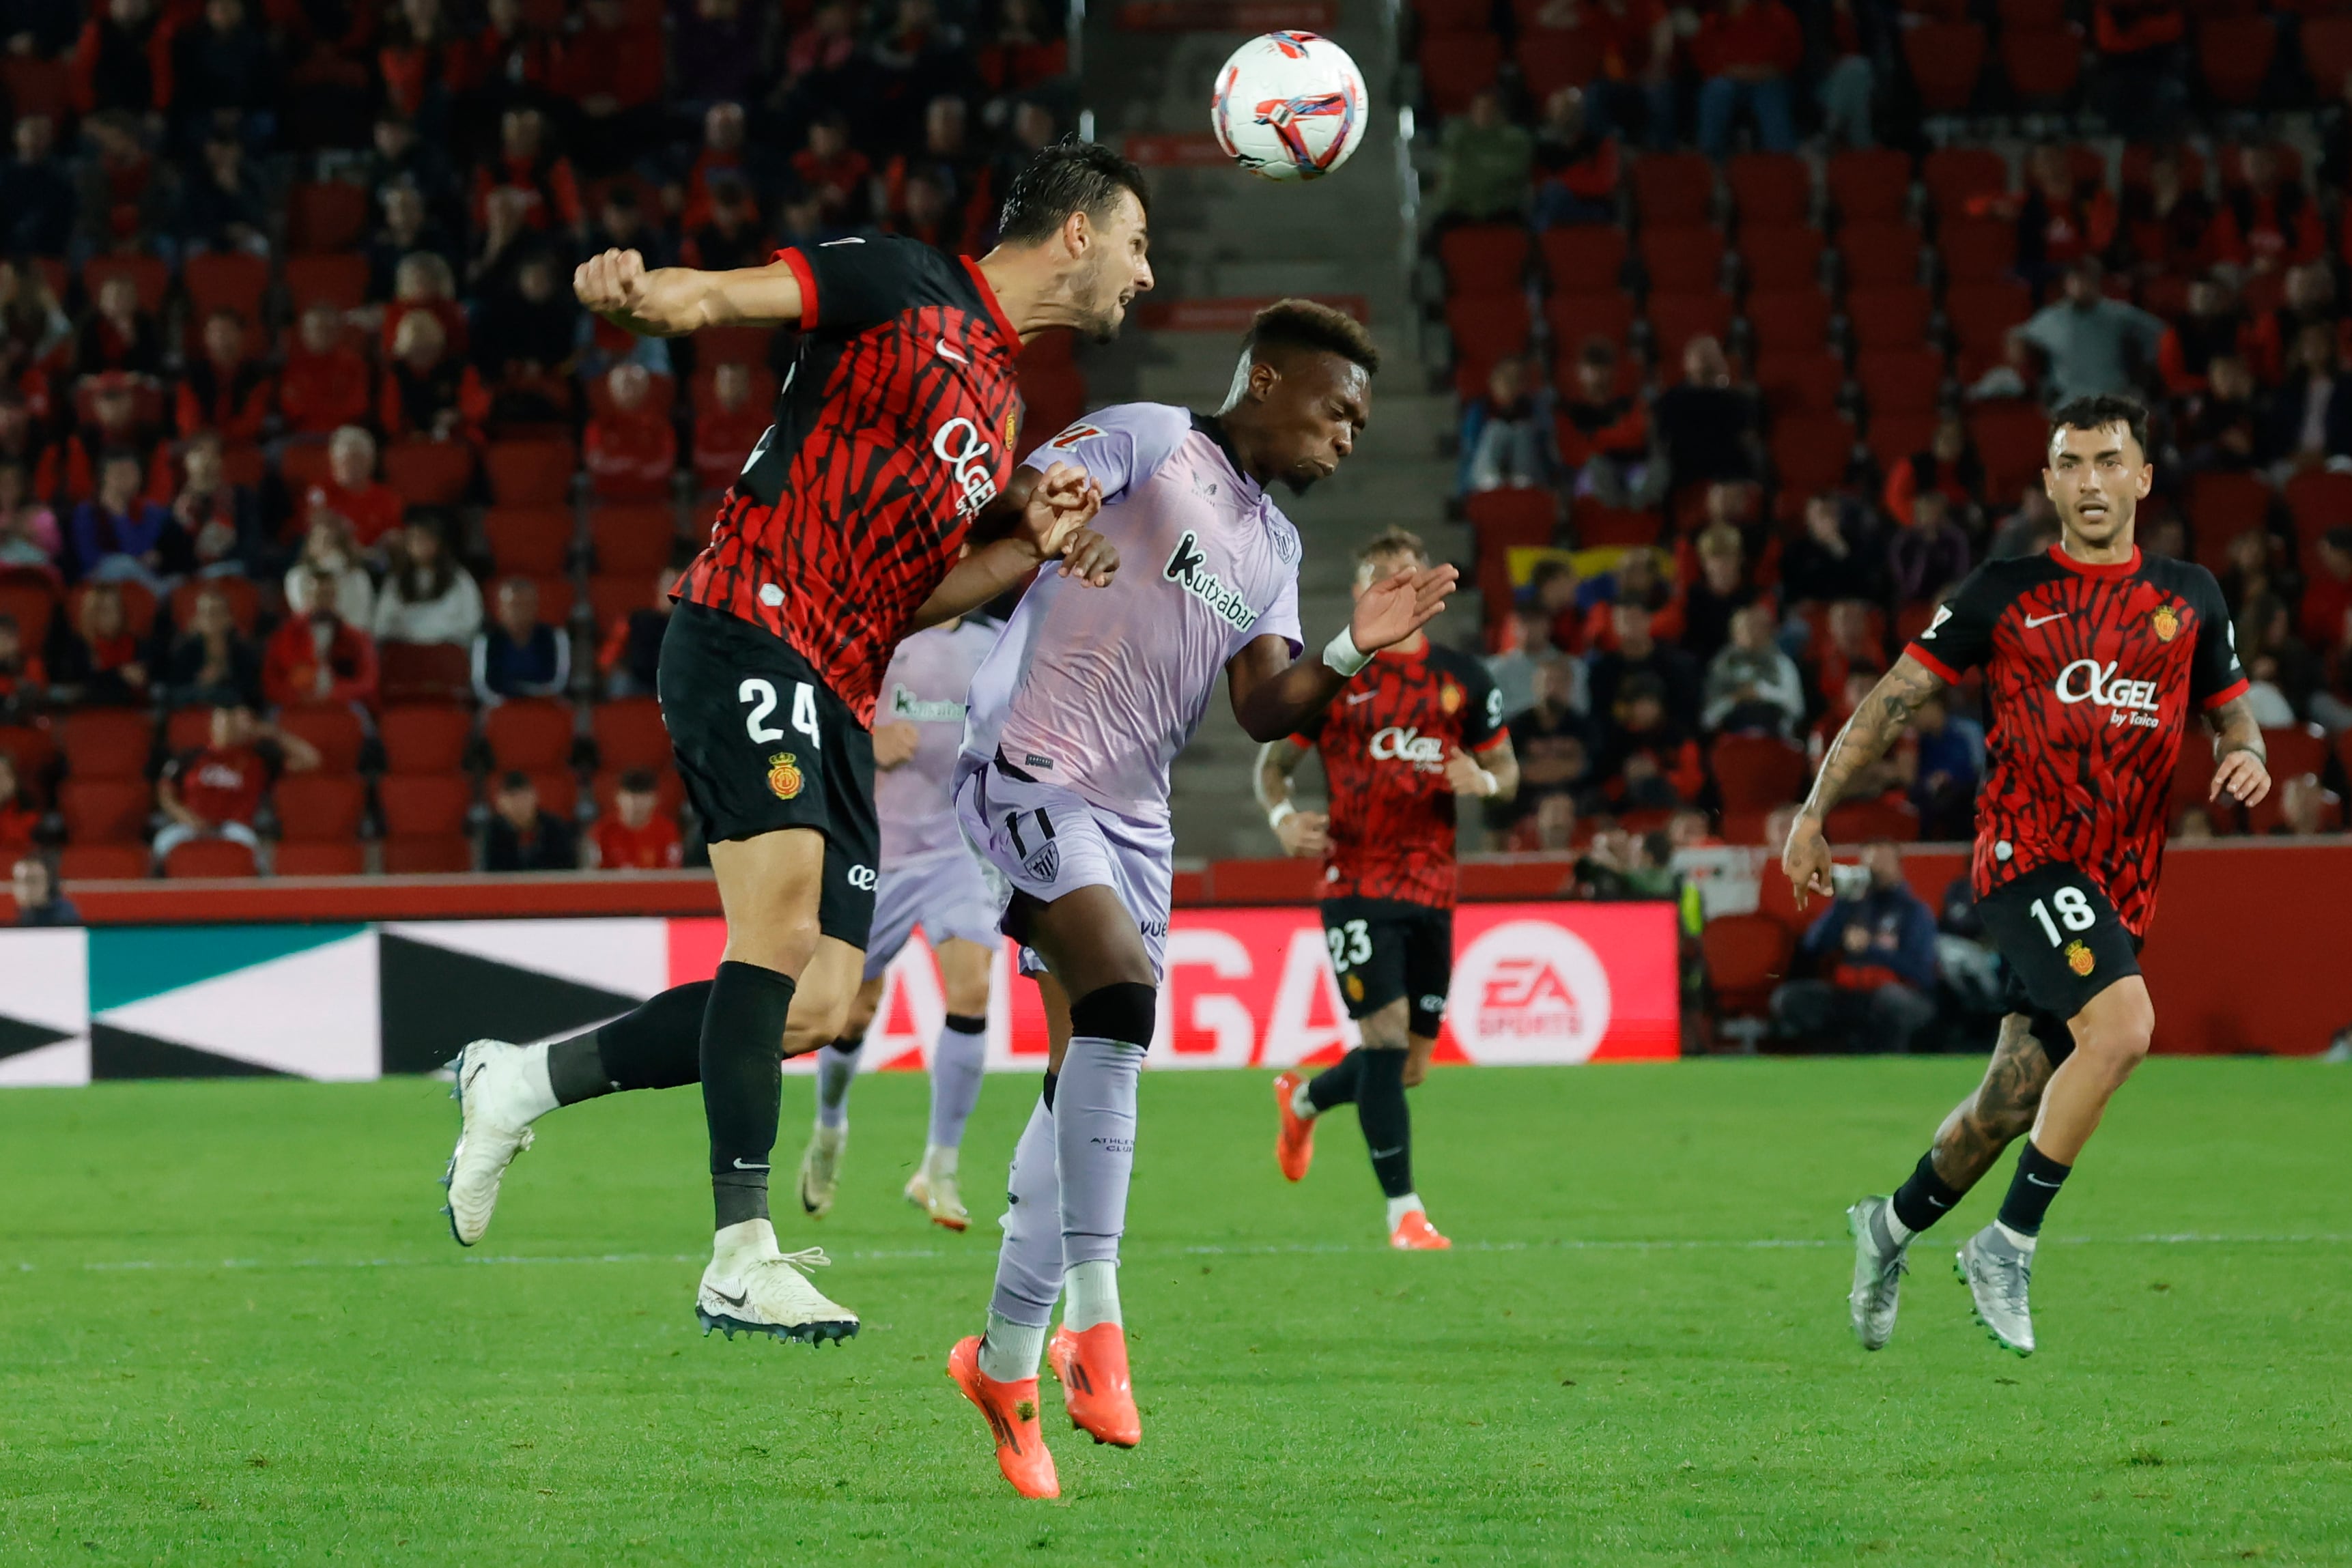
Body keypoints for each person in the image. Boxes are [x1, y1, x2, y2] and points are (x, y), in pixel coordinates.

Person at [433, 141, 1152, 1356]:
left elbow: (916, 598)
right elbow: (714, 295)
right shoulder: (902, 281)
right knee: (768, 935)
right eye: (1137, 244)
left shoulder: (1000, 401)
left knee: (818, 1001)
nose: (1146, 274)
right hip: (745, 626)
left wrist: (1032, 543)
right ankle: (739, 1256)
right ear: (1076, 233)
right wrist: (640, 289)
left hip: (840, 675)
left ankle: (517, 1083)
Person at [941, 302, 1453, 1499]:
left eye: (1363, 425)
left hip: (1135, 818)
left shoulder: (1272, 547)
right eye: (1336, 410)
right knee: (1117, 992)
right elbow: (1036, 488)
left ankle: (1006, 1361)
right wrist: (1053, 507)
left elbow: (1266, 707)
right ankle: (1100, 1328)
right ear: (1266, 381)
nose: (1348, 437)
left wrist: (1353, 644)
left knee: (1087, 1072)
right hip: (1030, 766)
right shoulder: (1149, 438)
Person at [1789, 395, 2267, 1358]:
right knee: (2126, 1026)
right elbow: (1892, 701)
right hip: (2023, 860)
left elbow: (2232, 712)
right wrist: (1812, 810)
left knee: (2008, 1101)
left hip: (2119, 887)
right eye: (2070, 463)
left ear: (2141, 477)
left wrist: (2247, 752)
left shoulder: (2191, 597)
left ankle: (1886, 1227)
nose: (2090, 480)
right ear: (2048, 483)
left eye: (2108, 461)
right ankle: (2005, 1246)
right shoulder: (2004, 591)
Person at [1258, 527, 1516, 1249]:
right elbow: (1272, 767)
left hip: (1433, 885)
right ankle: (1404, 1211)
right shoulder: (1337, 679)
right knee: (1381, 1034)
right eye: (1389, 579)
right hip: (1356, 878)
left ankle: (1304, 1097)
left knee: (1406, 1066)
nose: (1406, 588)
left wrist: (1485, 779)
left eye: (1414, 576)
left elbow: (1510, 770)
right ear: (1363, 592)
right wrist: (1282, 818)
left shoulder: (1465, 677)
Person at [798, 614, 1002, 1232]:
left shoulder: (990, 644)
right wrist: (868, 741)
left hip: (956, 849)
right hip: (875, 850)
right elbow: (809, 727)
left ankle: (938, 1166)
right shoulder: (872, 635)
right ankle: (830, 1127)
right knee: (851, 1010)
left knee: (972, 988)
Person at [1770, 840, 1939, 1054]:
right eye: (1871, 864)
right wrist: (1843, 903)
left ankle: (1889, 1060)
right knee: (1790, 998)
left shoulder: (1914, 913)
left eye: (1883, 863)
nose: (1876, 870)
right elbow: (1813, 947)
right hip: (1847, 993)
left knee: (1889, 1001)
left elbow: (1923, 974)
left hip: (1895, 994)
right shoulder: (1851, 905)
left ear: (1899, 869)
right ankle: (1827, 1060)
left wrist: (1870, 949)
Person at [153, 704, 320, 866]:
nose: (228, 726)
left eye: (233, 721)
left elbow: (311, 760)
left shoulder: (260, 759)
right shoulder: (191, 757)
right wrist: (185, 816)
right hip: (192, 825)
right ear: (211, 724)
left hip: (236, 828)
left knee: (255, 852)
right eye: (222, 719)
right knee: (162, 843)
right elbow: (166, 792)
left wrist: (273, 733)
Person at [2011, 258, 2165, 409]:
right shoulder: (2052, 318)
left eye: (2086, 279)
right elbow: (2017, 337)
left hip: (2115, 397)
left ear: (2097, 283)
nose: (2081, 285)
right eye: (2075, 280)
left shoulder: (2118, 314)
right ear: (2066, 284)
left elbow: (2161, 332)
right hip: (2070, 402)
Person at [262, 567, 379, 709]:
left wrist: (337, 693)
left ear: (336, 598)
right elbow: (271, 679)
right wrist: (297, 696)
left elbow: (368, 680)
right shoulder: (283, 636)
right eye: (317, 595)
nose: (322, 601)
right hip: (294, 703)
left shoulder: (357, 639)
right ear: (306, 597)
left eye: (327, 595)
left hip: (345, 703)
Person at [374, 513, 485, 648]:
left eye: (427, 540)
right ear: (407, 545)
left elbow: (471, 620)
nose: (421, 546)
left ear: (438, 544)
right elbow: (382, 623)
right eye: (415, 540)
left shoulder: (459, 578)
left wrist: (437, 633)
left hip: (446, 651)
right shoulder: (396, 579)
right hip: (404, 650)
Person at [1704, 601, 1806, 737]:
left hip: (1773, 738)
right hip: (1732, 741)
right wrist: (1736, 699)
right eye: (1744, 628)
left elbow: (1797, 708)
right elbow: (1708, 719)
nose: (1750, 633)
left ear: (1768, 631)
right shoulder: (1722, 666)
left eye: (1756, 628)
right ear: (1734, 633)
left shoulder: (1781, 663)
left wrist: (1761, 692)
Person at [471, 577, 570, 702]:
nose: (520, 612)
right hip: (499, 707)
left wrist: (533, 696)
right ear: (500, 610)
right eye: (514, 606)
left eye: (526, 605)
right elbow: (482, 686)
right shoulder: (486, 639)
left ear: (535, 607)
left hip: (544, 705)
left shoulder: (554, 636)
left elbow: (558, 682)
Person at [163, 582, 261, 708]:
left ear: (229, 618)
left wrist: (224, 675)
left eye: (216, 612)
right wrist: (201, 687)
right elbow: (172, 695)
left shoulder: (243, 652)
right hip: (196, 716)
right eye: (204, 612)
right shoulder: (186, 650)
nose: (210, 617)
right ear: (196, 619)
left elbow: (252, 696)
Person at [587, 768, 682, 870]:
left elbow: (672, 874)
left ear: (655, 799)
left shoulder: (667, 831)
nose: (636, 803)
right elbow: (594, 874)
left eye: (643, 797)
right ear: (618, 798)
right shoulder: (602, 831)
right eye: (631, 796)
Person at [482, 771, 578, 871]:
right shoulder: (490, 833)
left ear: (535, 796)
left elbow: (568, 870)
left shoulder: (556, 828)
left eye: (523, 797)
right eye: (512, 798)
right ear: (499, 802)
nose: (519, 804)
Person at [12, 855, 78, 926]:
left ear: (48, 883)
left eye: (33, 880)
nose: (25, 887)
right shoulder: (21, 915)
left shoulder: (64, 915)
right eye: (18, 880)